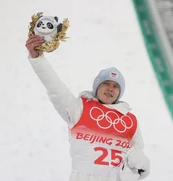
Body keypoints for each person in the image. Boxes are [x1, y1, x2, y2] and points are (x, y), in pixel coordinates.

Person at [26, 35, 150, 181]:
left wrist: (142, 167)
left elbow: (138, 158)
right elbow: (55, 88)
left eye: (116, 86)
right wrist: (38, 59)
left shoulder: (130, 120)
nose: (110, 88)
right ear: (96, 87)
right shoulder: (79, 109)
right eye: (106, 84)